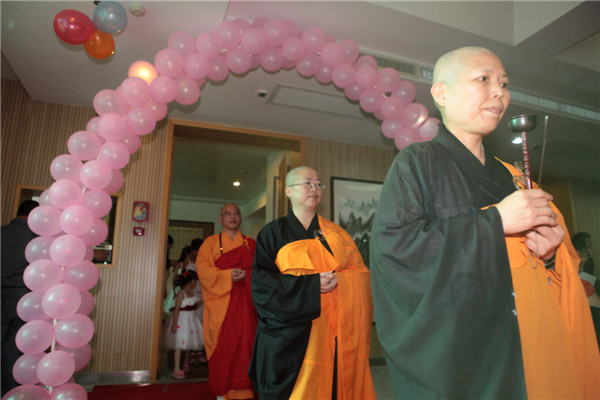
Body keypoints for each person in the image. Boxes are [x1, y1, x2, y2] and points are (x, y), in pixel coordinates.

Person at [370, 46, 600, 399]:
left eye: (504, 83)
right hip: (466, 348)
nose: (500, 92)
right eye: (484, 79)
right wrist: (494, 221)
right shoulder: (417, 161)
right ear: (441, 93)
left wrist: (551, 254)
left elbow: (548, 269)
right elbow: (396, 251)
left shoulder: (512, 176)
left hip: (530, 335)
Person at [249, 166, 376, 400]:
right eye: (307, 183)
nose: (314, 188)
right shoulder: (272, 233)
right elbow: (262, 286)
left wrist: (341, 280)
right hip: (291, 336)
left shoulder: (338, 234)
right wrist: (310, 286)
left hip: (335, 333)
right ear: (288, 191)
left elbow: (360, 272)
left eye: (318, 184)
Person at [196, 204, 257, 400]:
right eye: (228, 214)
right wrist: (227, 275)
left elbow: (263, 272)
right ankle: (223, 391)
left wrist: (247, 275)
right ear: (221, 219)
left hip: (247, 304)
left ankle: (246, 390)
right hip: (222, 305)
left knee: (247, 345)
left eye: (236, 213)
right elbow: (203, 270)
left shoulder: (251, 244)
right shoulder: (210, 243)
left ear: (241, 218)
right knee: (224, 347)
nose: (233, 216)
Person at [1, 200, 39, 396]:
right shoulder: (35, 240)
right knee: (12, 349)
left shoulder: (2, 232)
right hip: (20, 301)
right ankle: (10, 392)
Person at [163, 269, 203, 379]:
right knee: (179, 344)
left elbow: (195, 306)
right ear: (190, 282)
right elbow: (176, 310)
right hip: (182, 320)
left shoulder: (191, 293)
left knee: (189, 342)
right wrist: (175, 324)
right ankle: (176, 368)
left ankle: (185, 363)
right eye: (194, 281)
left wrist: (202, 299)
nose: (195, 284)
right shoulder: (181, 294)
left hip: (191, 320)